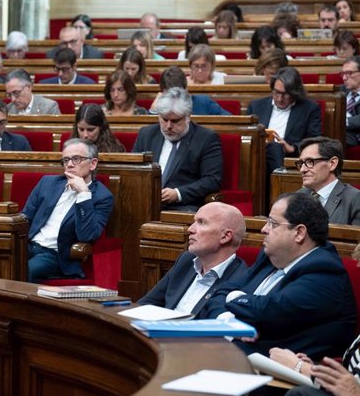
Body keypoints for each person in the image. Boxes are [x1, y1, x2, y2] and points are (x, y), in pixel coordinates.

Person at [202, 192, 357, 359]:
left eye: (272, 224)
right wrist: (228, 322)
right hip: (231, 353)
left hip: (273, 372)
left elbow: (268, 311)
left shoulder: (325, 272)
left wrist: (234, 297)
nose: (263, 229)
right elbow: (219, 293)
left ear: (299, 233)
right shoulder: (271, 256)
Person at [278, 227, 360, 396]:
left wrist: (298, 367)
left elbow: (356, 389)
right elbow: (353, 365)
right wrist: (316, 367)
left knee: (298, 395)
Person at [23, 138, 113, 282]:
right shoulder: (47, 183)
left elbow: (87, 235)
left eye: (76, 159)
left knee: (25, 270)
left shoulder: (102, 197)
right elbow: (25, 218)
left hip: (55, 255)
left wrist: (83, 195)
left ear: (93, 163)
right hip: (27, 246)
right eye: (66, 160)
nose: (69, 164)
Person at [138, 202, 248, 313]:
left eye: (201, 223)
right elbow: (146, 304)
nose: (190, 229)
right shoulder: (186, 261)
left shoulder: (240, 280)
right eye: (194, 222)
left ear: (225, 236)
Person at [132, 87, 222, 212]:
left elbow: (212, 180)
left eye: (175, 121)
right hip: (144, 204)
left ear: (188, 117)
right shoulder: (146, 134)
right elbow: (133, 171)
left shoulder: (206, 139)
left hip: (183, 208)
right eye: (164, 119)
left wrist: (178, 194)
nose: (168, 126)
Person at [247, 67, 322, 174]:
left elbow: (315, 138)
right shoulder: (256, 106)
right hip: (257, 153)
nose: (279, 98)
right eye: (276, 92)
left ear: (295, 93)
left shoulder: (310, 108)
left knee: (275, 147)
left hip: (290, 156)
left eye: (285, 94)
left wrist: (293, 148)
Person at [297, 136, 360, 226]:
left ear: (332, 164)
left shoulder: (355, 198)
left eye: (310, 161)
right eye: (301, 163)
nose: (302, 169)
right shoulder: (299, 196)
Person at [150, 66, 231, 115]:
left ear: (186, 89)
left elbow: (231, 120)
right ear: (162, 93)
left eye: (178, 95)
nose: (174, 99)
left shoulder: (204, 102)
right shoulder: (158, 106)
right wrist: (153, 112)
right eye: (169, 95)